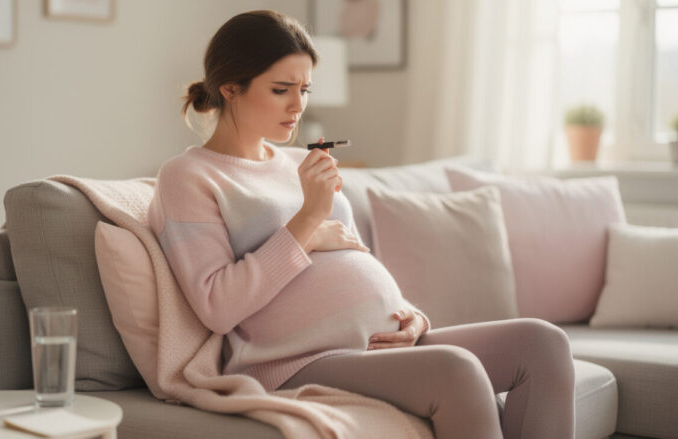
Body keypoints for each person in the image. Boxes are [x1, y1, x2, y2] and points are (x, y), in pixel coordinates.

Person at [147, 10, 575, 439]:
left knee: (543, 345)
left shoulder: (302, 163)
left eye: (304, 89)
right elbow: (217, 306)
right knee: (457, 370)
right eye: (281, 90)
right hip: (295, 360)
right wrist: (308, 224)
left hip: (382, 346)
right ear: (230, 88)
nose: (298, 106)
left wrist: (413, 318)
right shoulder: (190, 176)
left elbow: (359, 263)